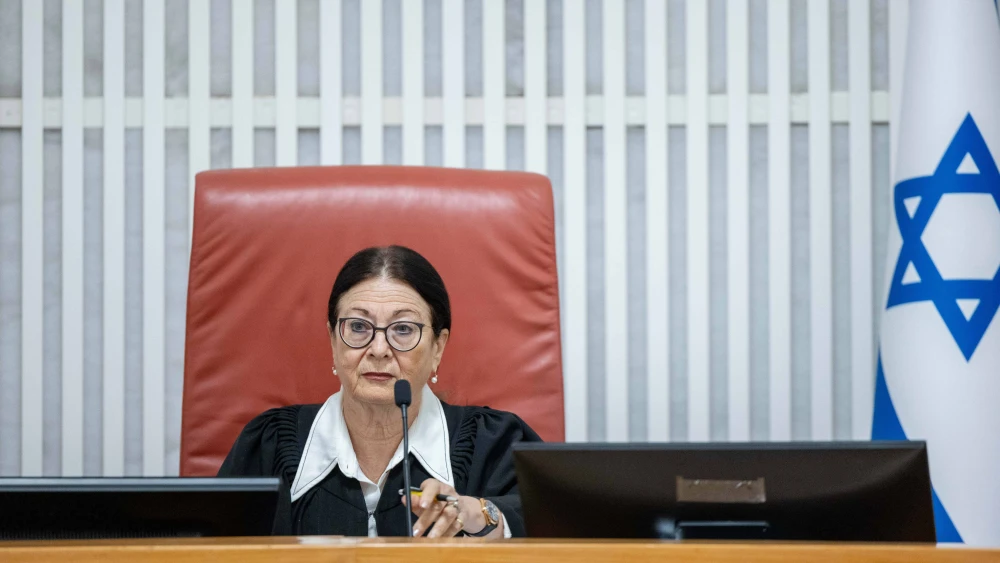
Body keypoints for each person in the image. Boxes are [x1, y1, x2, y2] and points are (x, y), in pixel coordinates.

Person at [218, 245, 542, 537]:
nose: (379, 349)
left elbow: (564, 529)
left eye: (403, 329)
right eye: (358, 327)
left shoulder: (497, 445)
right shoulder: (269, 446)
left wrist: (481, 515)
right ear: (333, 341)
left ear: (438, 348)